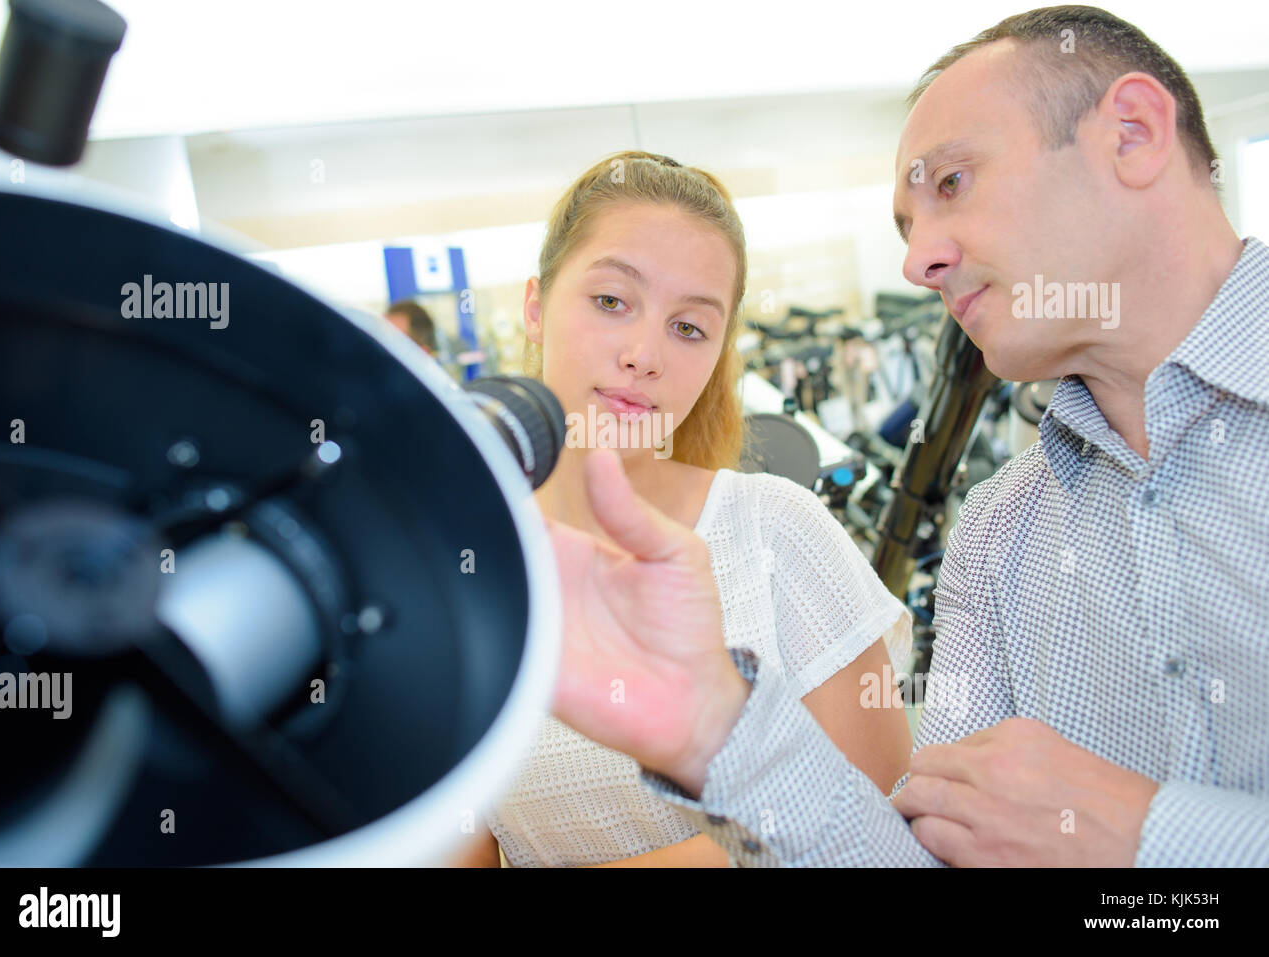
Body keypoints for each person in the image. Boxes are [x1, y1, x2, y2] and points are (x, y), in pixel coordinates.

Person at [544, 6, 1269, 866]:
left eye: (952, 185)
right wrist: (713, 727)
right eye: (904, 225)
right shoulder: (998, 538)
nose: (917, 260)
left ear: (1134, 133)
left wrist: (1154, 841)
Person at [458, 151, 914, 867]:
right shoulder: (459, 569)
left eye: (689, 327)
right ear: (536, 306)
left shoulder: (777, 531)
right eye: (612, 301)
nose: (644, 355)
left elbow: (879, 819)